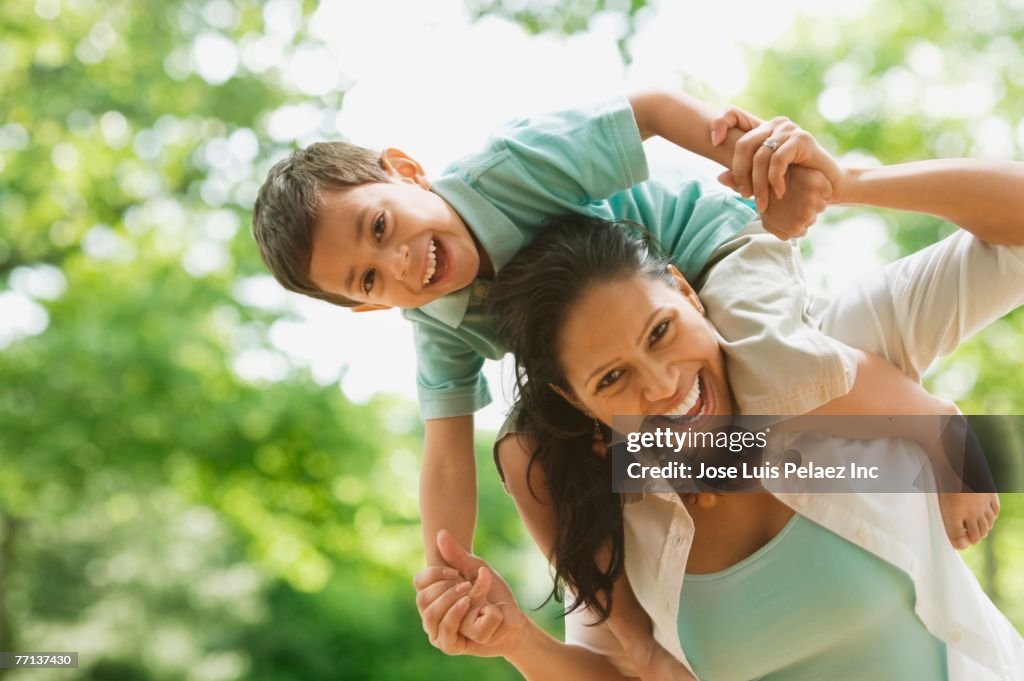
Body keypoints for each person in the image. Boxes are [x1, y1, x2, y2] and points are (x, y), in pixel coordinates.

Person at [252, 92, 995, 679]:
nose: (407, 265)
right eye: (373, 278)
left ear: (406, 171)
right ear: (579, 402)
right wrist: (473, 596)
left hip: (727, 248)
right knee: (521, 451)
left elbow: (648, 110)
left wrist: (833, 177)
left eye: (382, 226)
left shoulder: (834, 356)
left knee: (780, 366)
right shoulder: (622, 494)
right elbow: (447, 451)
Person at [414, 152, 1024, 679]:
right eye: (612, 378)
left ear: (684, 291)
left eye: (660, 332)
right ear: (578, 402)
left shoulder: (832, 357)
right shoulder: (613, 504)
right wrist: (517, 640)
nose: (662, 385)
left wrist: (848, 180)